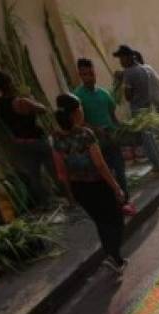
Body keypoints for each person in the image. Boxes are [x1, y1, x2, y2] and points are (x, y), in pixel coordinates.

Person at [51, 93, 126, 276]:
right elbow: (100, 164)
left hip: (79, 189)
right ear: (74, 113)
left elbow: (61, 172)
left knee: (101, 222)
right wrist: (116, 186)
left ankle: (114, 257)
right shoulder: (85, 134)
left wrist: (71, 196)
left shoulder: (55, 138)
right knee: (116, 220)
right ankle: (113, 257)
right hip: (98, 185)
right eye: (80, 109)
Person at [74, 59, 135, 217]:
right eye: (84, 74)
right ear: (80, 75)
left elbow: (112, 115)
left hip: (111, 138)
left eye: (91, 73)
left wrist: (120, 129)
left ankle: (125, 201)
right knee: (105, 174)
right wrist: (95, 129)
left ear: (95, 72)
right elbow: (78, 122)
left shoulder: (104, 93)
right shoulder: (77, 96)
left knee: (120, 170)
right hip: (95, 144)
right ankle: (114, 204)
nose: (88, 77)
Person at [0, 70, 54, 207]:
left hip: (20, 142)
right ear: (10, 83)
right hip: (37, 140)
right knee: (53, 168)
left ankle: (44, 203)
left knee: (33, 174)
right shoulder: (21, 102)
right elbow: (43, 109)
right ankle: (70, 196)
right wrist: (29, 97)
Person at [113, 44, 159, 173]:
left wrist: (122, 84)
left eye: (121, 58)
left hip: (138, 109)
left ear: (129, 57)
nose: (120, 62)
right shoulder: (143, 69)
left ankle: (157, 167)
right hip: (147, 107)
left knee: (146, 140)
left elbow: (128, 97)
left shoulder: (129, 73)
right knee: (150, 138)